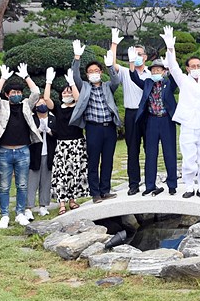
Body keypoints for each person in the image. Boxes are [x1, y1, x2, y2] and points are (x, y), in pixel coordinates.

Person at [162, 26, 200, 199]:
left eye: (198, 65)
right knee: (188, 158)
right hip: (188, 124)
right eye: (193, 66)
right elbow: (172, 67)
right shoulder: (183, 80)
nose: (196, 68)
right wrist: (170, 48)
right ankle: (188, 186)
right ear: (187, 68)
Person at [69, 41, 122, 204]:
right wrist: (77, 57)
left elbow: (116, 81)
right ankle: (95, 193)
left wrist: (110, 66)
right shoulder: (84, 86)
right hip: (93, 128)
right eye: (91, 71)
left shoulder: (107, 86)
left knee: (108, 160)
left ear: (100, 72)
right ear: (87, 75)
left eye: (96, 71)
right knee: (93, 161)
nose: (94, 73)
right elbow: (75, 75)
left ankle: (105, 190)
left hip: (109, 128)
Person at [0, 63, 43, 228]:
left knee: (22, 185)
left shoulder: (26, 105)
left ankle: (20, 213)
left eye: (19, 93)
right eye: (13, 93)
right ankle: (4, 215)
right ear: (7, 95)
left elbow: (36, 92)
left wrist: (26, 77)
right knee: (4, 186)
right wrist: (3, 78)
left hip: (23, 151)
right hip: (5, 152)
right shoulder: (2, 106)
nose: (16, 95)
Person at [130, 54, 179, 196]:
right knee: (150, 154)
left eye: (159, 70)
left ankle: (172, 184)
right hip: (151, 120)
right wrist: (132, 62)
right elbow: (134, 78)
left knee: (169, 152)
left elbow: (175, 80)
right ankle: (150, 184)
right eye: (154, 70)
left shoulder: (168, 83)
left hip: (166, 120)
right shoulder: (147, 83)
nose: (156, 73)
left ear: (163, 71)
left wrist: (169, 67)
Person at [110, 28, 148, 196]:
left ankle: (151, 182)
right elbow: (111, 63)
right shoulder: (126, 72)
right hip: (131, 114)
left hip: (148, 114)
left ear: (145, 57)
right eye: (134, 53)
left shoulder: (151, 74)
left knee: (150, 149)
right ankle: (134, 184)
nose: (137, 56)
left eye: (140, 54)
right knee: (133, 151)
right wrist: (114, 44)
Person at [51, 72, 87, 215]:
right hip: (62, 145)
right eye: (64, 92)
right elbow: (46, 99)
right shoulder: (58, 108)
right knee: (61, 173)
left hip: (77, 144)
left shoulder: (77, 108)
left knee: (75, 173)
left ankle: (72, 201)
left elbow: (79, 99)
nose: (67, 94)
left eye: (69, 92)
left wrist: (72, 83)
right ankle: (62, 204)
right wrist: (48, 82)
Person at [25, 68, 58, 218]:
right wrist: (38, 130)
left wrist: (49, 131)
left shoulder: (52, 118)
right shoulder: (32, 118)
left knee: (46, 180)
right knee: (32, 181)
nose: (42, 105)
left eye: (44, 102)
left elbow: (57, 133)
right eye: (39, 103)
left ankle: (43, 205)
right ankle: (28, 207)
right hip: (35, 153)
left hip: (49, 152)